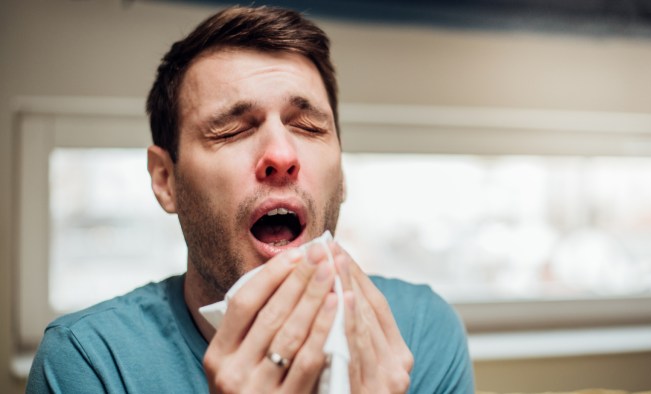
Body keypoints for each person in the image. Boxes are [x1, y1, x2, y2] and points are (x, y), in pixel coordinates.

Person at [27, 5, 474, 393]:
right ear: (166, 180)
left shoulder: (419, 332)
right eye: (231, 129)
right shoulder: (90, 361)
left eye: (309, 127)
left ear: (342, 176)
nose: (282, 155)